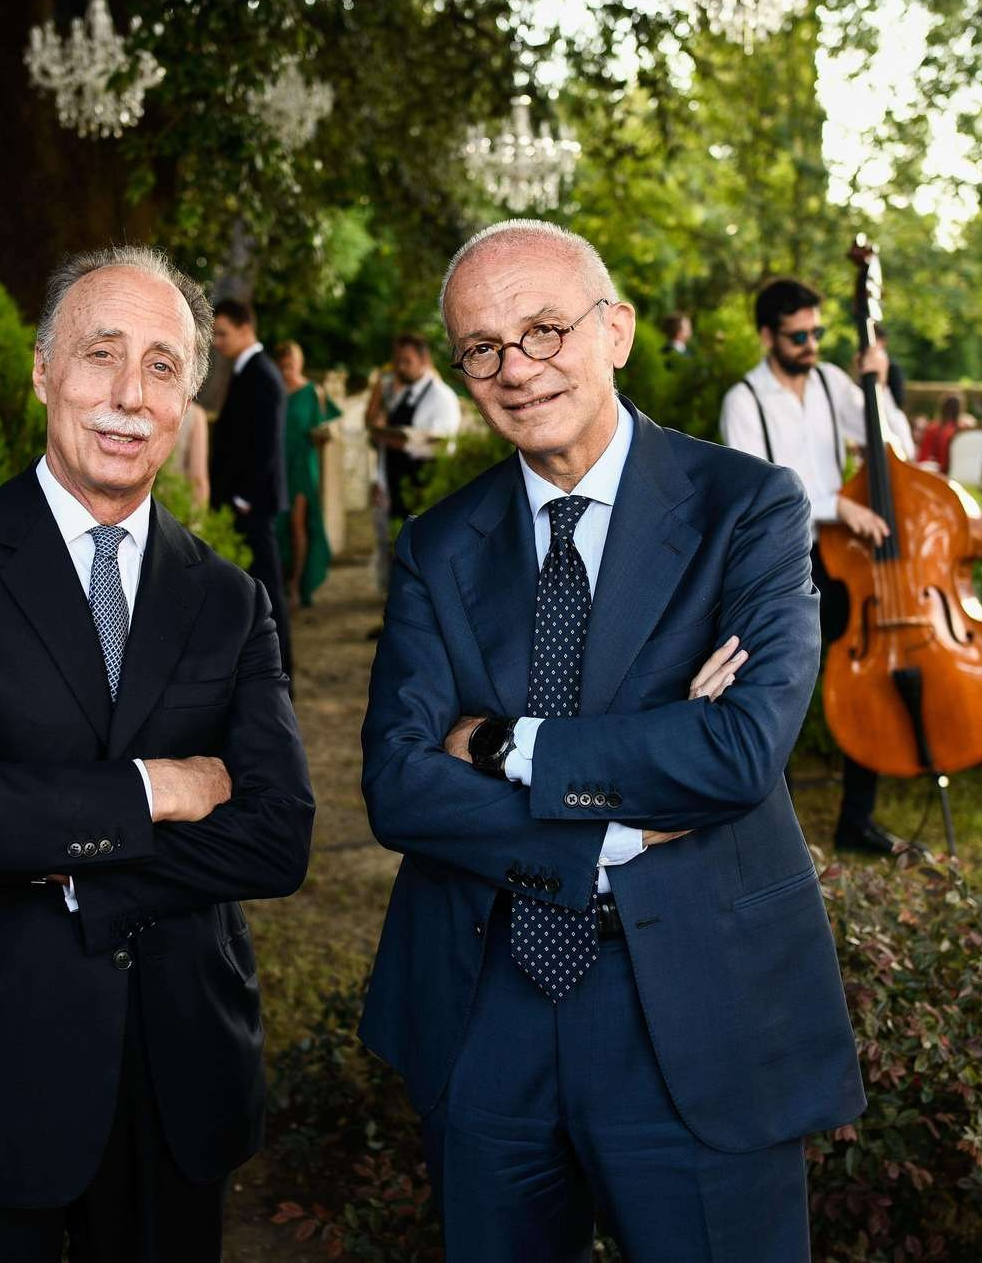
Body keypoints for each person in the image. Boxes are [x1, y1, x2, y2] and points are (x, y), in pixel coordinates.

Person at [363, 219, 863, 1262]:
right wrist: (617, 826)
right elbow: (397, 786)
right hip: (484, 999)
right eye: (483, 347)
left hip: (692, 1001)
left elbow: (735, 753)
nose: (517, 369)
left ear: (617, 330)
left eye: (544, 329)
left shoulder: (746, 510)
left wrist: (499, 743)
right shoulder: (435, 545)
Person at [0, 245, 314, 1263]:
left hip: (174, 1078)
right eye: (100, 353)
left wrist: (67, 857)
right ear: (41, 370)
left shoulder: (229, 600)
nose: (126, 394)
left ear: (189, 395)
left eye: (159, 365)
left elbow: (277, 838)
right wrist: (152, 788)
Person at [719, 276, 914, 857]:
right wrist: (838, 506)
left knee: (865, 681)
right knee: (775, 694)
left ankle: (857, 820)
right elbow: (758, 489)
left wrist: (877, 389)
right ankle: (760, 828)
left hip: (845, 562)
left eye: (818, 332)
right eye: (798, 335)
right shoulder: (743, 400)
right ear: (766, 336)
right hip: (780, 566)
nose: (811, 344)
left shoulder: (833, 382)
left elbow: (893, 449)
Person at [207, 298, 294, 676]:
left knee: (269, 595)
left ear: (246, 329)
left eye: (222, 333)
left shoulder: (262, 374)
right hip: (244, 503)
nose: (216, 342)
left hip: (252, 506)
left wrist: (242, 498)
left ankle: (281, 675)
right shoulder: (248, 372)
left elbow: (266, 447)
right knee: (252, 594)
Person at [364, 332, 462, 599]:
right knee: (396, 556)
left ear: (424, 359)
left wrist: (400, 441)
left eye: (406, 361)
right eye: (397, 361)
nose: (400, 367)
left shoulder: (442, 398)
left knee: (421, 560)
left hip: (423, 494)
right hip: (394, 492)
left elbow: (442, 447)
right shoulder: (402, 394)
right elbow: (382, 442)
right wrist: (380, 481)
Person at [274, 339, 340, 609]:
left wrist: (320, 435)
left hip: (302, 464)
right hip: (278, 463)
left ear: (299, 362)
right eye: (284, 363)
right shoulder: (273, 390)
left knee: (298, 523)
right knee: (277, 523)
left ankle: (296, 584)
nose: (288, 367)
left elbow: (325, 432)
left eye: (292, 362)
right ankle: (280, 580)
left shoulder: (314, 392)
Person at [163, 399, 211, 508]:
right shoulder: (196, 415)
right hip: (174, 501)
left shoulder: (144, 403)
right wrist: (197, 520)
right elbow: (198, 479)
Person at [916, 393, 965, 474]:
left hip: (941, 473)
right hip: (963, 471)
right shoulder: (965, 431)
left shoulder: (932, 429)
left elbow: (922, 458)